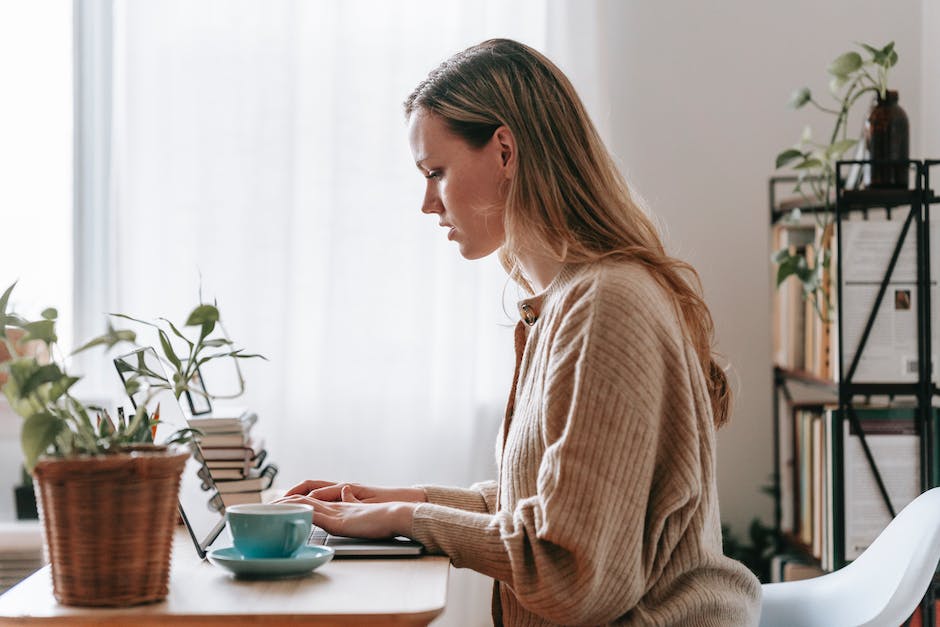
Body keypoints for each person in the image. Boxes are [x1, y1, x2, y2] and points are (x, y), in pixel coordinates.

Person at [277, 38, 761, 626]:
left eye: (436, 172)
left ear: (504, 151)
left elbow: (571, 575)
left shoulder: (607, 303)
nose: (428, 203)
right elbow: (542, 507)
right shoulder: (568, 301)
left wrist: (409, 522)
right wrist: (401, 501)